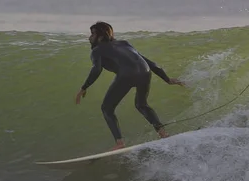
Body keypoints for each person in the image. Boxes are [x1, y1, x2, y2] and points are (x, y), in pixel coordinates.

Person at [75, 22, 184, 151]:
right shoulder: (125, 44)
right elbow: (150, 63)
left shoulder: (97, 50)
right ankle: (163, 134)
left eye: (93, 33)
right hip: (145, 71)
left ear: (100, 36)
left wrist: (84, 87)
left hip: (127, 74)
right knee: (141, 104)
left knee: (107, 108)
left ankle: (119, 143)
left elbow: (96, 69)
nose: (90, 37)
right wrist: (167, 79)